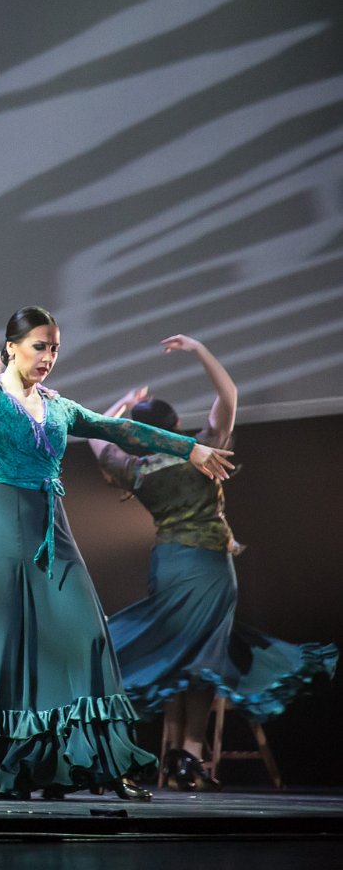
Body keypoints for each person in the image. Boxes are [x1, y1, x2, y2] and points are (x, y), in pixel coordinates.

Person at [0, 308, 234, 800]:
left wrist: (190, 449)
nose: (48, 356)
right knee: (7, 644)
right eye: (39, 346)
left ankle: (103, 762)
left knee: (87, 634)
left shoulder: (58, 406)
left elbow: (117, 430)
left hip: (50, 524)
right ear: (11, 347)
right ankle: (9, 765)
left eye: (54, 348)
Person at [91, 335, 337, 791]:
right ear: (175, 425)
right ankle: (188, 753)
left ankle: (180, 758)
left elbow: (95, 435)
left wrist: (123, 404)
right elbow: (229, 395)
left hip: (168, 565)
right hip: (207, 565)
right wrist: (200, 349)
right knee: (204, 655)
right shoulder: (202, 453)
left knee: (180, 653)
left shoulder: (135, 470)